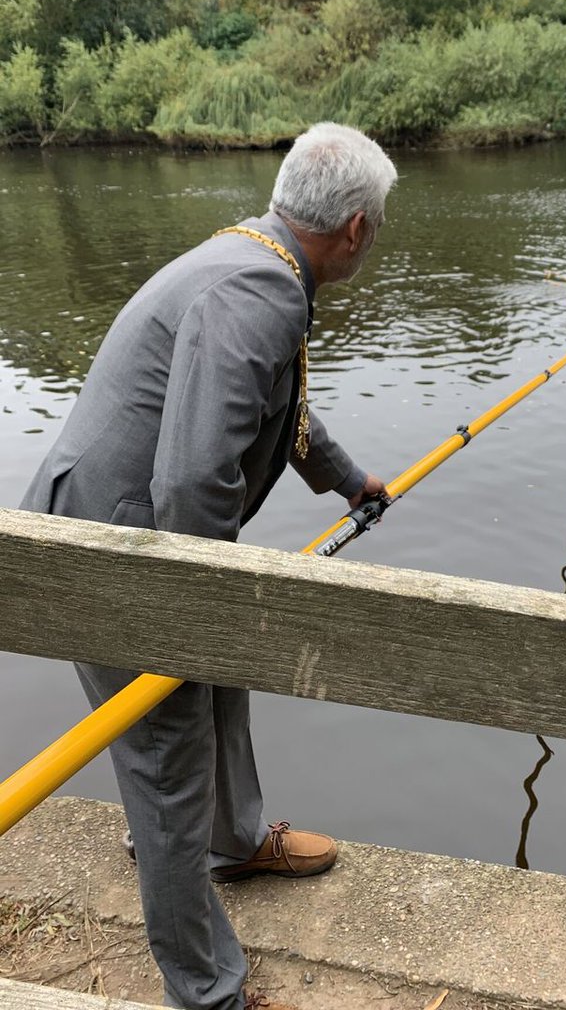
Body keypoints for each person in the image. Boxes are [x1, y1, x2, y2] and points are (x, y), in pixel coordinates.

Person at [20, 122, 398, 1010]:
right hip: (112, 551)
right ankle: (208, 991)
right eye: (377, 226)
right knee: (167, 764)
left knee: (216, 687)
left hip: (128, 529)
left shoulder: (255, 256)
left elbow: (279, 406)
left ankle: (234, 841)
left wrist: (348, 481)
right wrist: (199, 608)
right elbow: (191, 480)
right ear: (355, 228)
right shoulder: (260, 289)